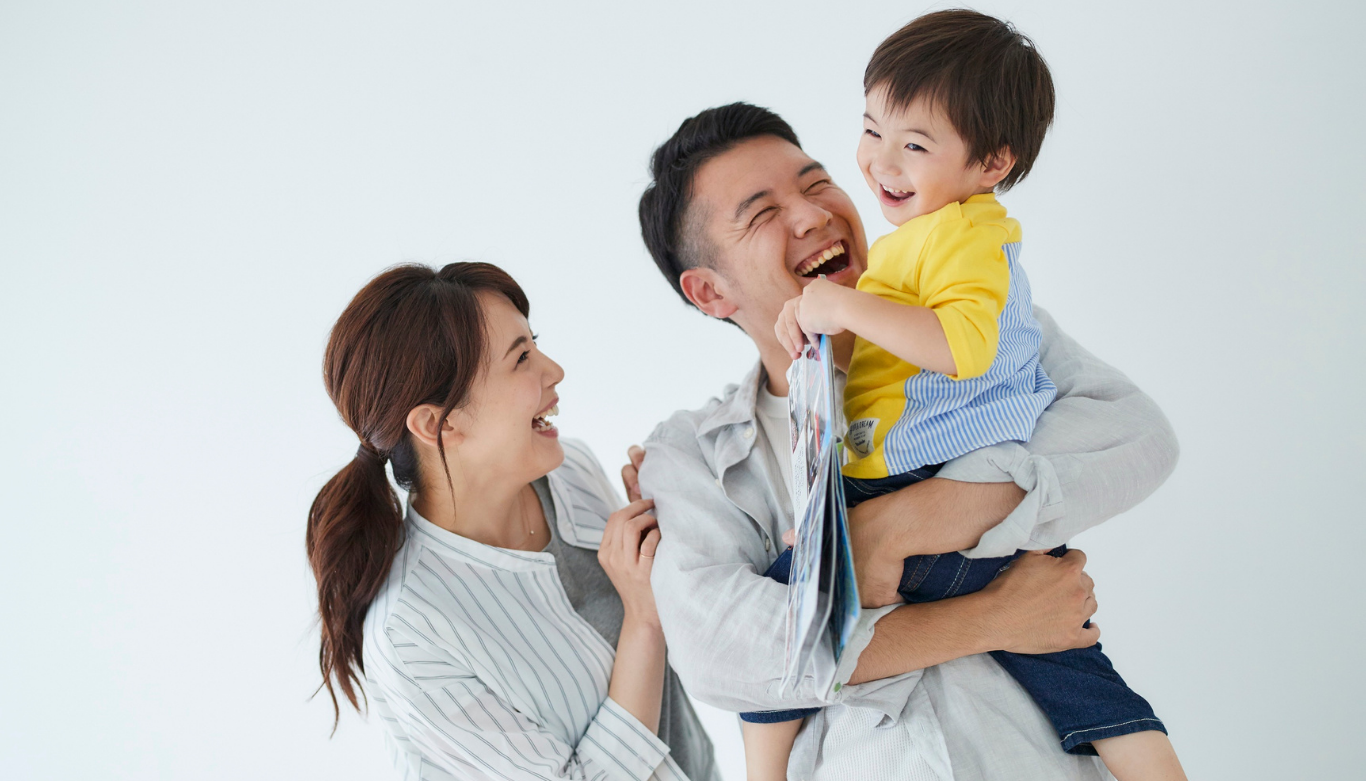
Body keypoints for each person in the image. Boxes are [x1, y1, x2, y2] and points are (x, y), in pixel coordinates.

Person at [628, 100, 1179, 780]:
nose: (812, 214)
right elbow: (726, 653)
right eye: (763, 213)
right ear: (710, 291)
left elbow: (1138, 436)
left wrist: (899, 524)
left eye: (813, 182)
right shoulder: (689, 457)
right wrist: (997, 617)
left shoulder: (983, 326)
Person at [754, 11, 1184, 780]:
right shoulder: (919, 239)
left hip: (924, 482)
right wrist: (825, 334)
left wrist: (841, 306)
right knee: (1073, 669)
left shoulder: (966, 236)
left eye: (914, 145)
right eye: (870, 128)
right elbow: (899, 353)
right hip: (960, 516)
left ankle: (764, 771)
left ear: (992, 160)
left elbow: (960, 347)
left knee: (786, 605)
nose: (880, 162)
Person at [305, 262, 717, 781]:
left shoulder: (574, 473)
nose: (554, 370)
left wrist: (672, 529)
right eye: (521, 358)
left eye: (534, 343)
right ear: (439, 423)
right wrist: (643, 619)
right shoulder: (413, 632)